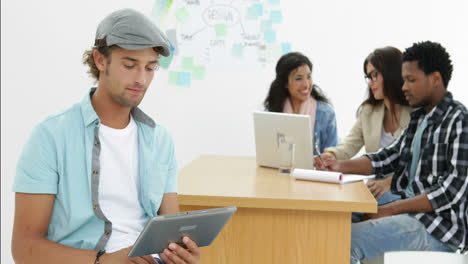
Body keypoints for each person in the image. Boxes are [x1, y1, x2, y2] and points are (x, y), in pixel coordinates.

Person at [11, 8, 201, 264]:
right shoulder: (51, 137)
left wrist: (181, 254)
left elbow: (170, 235)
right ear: (101, 60)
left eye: (150, 68)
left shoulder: (160, 140)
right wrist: (106, 261)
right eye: (129, 65)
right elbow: (25, 249)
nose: (141, 79)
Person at [315, 41, 468, 263]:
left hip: (438, 229)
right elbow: (388, 157)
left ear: (435, 79)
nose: (404, 86)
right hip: (412, 213)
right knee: (336, 218)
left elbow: (450, 192)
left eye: (411, 80)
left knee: (345, 241)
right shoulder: (420, 118)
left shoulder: (459, 121)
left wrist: (389, 210)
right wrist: (338, 165)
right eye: (404, 80)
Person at [322, 47, 413, 212]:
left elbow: (416, 164)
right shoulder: (369, 111)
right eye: (368, 76)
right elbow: (349, 145)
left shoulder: (416, 113)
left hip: (402, 190)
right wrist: (331, 156)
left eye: (374, 75)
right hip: (375, 186)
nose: (370, 82)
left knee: (346, 208)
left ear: (391, 73)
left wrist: (388, 183)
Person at [264, 52, 338, 153]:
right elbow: (267, 154)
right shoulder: (271, 112)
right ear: (285, 83)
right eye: (299, 78)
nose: (306, 84)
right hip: (280, 168)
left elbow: (333, 158)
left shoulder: (326, 114)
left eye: (308, 77)